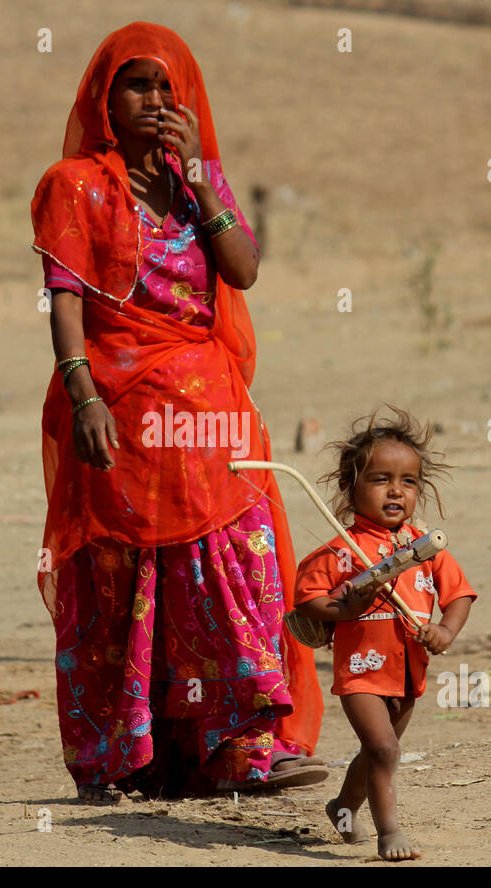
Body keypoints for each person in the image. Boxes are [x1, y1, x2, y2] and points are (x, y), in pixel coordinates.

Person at [30, 22, 324, 803]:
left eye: (167, 87)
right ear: (106, 98)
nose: (156, 101)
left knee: (239, 562)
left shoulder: (196, 178)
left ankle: (245, 748)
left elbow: (244, 272)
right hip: (122, 408)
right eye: (138, 85)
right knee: (129, 581)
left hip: (213, 415)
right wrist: (82, 391)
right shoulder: (76, 185)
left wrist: (200, 179)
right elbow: (63, 301)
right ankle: (131, 755)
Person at [293, 406, 477, 859]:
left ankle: (342, 806)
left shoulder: (425, 548)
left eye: (408, 482)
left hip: (408, 669)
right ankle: (389, 832)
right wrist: (345, 604)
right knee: (384, 749)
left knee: (378, 751)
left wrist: (446, 630)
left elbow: (460, 594)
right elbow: (307, 599)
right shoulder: (340, 552)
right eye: (379, 479)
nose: (396, 490)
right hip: (360, 671)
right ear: (349, 487)